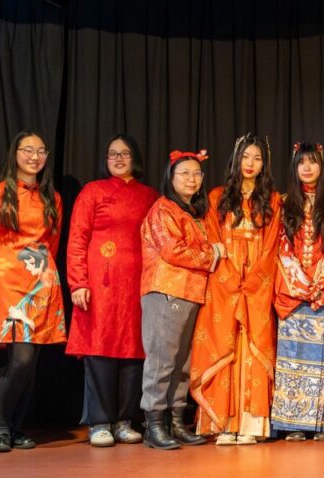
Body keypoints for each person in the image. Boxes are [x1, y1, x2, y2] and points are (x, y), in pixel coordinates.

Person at [0, 131, 66, 453]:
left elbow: (51, 242)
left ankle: (15, 428)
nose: (34, 156)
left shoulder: (51, 197)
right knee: (21, 358)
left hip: (42, 280)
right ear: (15, 153)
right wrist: (2, 271)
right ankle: (0, 428)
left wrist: (41, 270)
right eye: (28, 150)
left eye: (41, 151)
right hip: (8, 278)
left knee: (30, 358)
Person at [66, 133, 158, 447]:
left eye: (125, 153)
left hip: (138, 284)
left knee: (135, 350)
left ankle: (124, 420)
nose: (118, 159)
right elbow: (77, 239)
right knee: (100, 347)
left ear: (136, 158)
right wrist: (78, 282)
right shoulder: (93, 192)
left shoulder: (150, 196)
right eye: (112, 154)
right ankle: (99, 421)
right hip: (100, 285)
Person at [190, 135, 281, 446]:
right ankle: (223, 422)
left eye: (257, 158)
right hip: (224, 283)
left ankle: (252, 424)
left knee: (253, 350)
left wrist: (255, 279)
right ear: (236, 160)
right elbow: (212, 240)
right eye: (246, 157)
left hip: (257, 284)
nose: (251, 163)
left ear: (264, 164)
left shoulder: (273, 200)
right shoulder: (217, 197)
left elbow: (271, 246)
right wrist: (228, 276)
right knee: (223, 345)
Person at [139, 149, 224, 450]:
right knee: (162, 360)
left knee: (181, 362)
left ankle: (176, 421)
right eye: (184, 173)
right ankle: (154, 425)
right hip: (166, 290)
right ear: (171, 177)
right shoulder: (163, 209)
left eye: (196, 174)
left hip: (190, 292)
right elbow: (172, 251)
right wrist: (212, 254)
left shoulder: (192, 213)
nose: (191, 179)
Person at [271, 142, 324, 441]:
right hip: (292, 291)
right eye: (301, 162)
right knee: (294, 358)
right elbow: (278, 245)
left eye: (313, 162)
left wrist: (321, 283)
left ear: (322, 165)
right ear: (294, 167)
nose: (307, 168)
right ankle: (293, 424)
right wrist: (299, 283)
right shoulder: (281, 202)